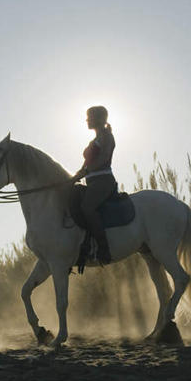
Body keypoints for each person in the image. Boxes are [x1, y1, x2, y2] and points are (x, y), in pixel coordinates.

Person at [72, 106, 116, 264]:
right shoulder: (95, 139)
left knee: (87, 208)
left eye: (89, 117)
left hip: (103, 181)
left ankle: (104, 250)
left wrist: (85, 172)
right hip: (92, 182)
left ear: (98, 119)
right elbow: (86, 164)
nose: (87, 120)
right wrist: (75, 176)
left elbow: (103, 159)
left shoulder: (107, 137)